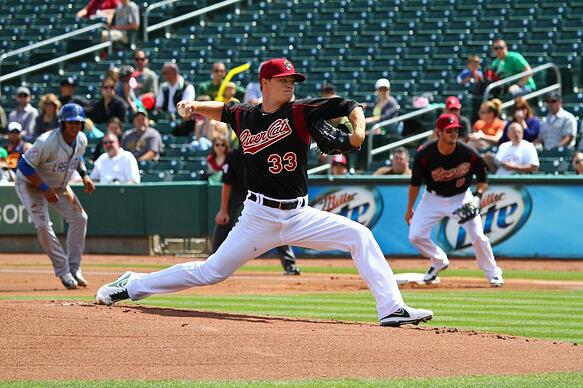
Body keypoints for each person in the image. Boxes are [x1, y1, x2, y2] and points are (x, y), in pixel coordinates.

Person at [96, 57, 433, 327]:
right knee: (212, 272)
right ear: (266, 83)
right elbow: (224, 110)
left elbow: (350, 105)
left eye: (292, 81)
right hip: (258, 216)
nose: (290, 84)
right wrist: (196, 105)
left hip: (299, 215)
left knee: (359, 236)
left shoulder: (300, 111)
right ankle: (132, 284)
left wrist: (357, 132)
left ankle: (392, 308)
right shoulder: (245, 114)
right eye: (284, 80)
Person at [405, 113, 504, 287]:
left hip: (461, 197)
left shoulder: (468, 153)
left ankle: (493, 273)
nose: (453, 134)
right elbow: (415, 183)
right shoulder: (425, 154)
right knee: (415, 235)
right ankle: (438, 261)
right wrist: (409, 209)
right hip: (432, 199)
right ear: (439, 132)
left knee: (478, 237)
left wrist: (478, 197)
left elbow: (483, 178)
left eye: (456, 130)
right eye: (449, 130)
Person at [15, 103, 95, 289]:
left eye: (78, 122)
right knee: (43, 226)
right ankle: (63, 271)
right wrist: (44, 188)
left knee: (80, 218)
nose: (74, 126)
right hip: (31, 183)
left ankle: (74, 268)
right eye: (70, 122)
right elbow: (24, 165)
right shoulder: (47, 141)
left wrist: (84, 176)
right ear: (63, 123)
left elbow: (77, 156)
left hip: (59, 184)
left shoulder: (81, 139)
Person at [213, 147, 300, 275]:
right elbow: (227, 183)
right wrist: (223, 210)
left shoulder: (263, 149)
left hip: (260, 191)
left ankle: (289, 265)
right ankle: (213, 262)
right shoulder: (234, 155)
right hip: (239, 190)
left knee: (275, 223)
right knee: (224, 220)